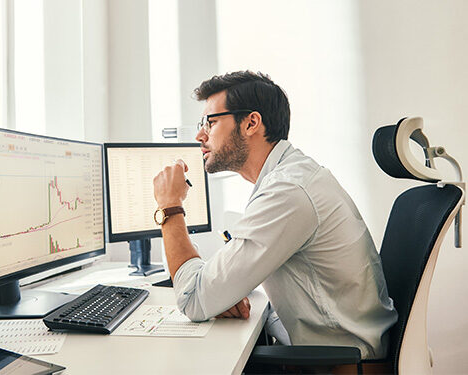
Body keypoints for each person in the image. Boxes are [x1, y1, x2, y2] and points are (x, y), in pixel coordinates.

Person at [152, 71, 397, 360]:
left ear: (251, 123)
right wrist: (222, 293)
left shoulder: (288, 191)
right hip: (333, 352)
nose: (200, 134)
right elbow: (211, 290)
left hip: (338, 365)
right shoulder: (288, 178)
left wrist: (170, 206)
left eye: (211, 122)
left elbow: (193, 299)